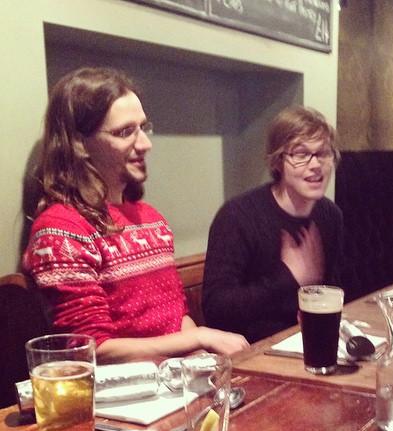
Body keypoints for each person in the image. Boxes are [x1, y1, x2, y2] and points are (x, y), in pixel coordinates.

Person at [22, 67, 249, 363]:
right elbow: (93, 350)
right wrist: (200, 338)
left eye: (143, 128)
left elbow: (176, 318)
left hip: (173, 380)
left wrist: (202, 362)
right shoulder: (61, 228)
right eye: (125, 132)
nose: (145, 144)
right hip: (122, 390)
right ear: (79, 143)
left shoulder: (150, 218)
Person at [202, 106, 344, 343]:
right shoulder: (238, 216)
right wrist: (288, 279)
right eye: (301, 154)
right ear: (278, 161)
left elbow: (333, 291)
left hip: (308, 341)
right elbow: (216, 309)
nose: (315, 164)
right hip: (251, 348)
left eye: (323, 153)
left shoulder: (330, 216)